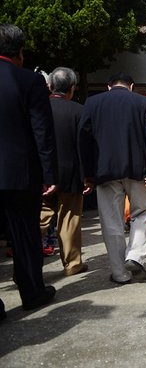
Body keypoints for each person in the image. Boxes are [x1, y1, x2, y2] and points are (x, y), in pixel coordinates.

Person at [79, 72, 146, 285]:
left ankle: (119, 273)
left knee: (111, 221)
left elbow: (84, 139)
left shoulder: (92, 102)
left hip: (104, 172)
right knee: (140, 213)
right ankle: (134, 256)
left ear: (109, 87)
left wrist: (88, 174)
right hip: (137, 170)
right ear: (131, 87)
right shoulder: (144, 102)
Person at [0, 24, 57, 313]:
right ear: (20, 52)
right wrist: (49, 174)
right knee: (24, 236)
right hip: (19, 174)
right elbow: (42, 133)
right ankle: (32, 291)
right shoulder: (30, 81)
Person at [39, 67, 90, 277]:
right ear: (72, 89)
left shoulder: (37, 108)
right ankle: (72, 263)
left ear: (50, 86)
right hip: (70, 173)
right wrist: (87, 176)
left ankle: (25, 264)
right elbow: (84, 147)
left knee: (38, 218)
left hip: (41, 173)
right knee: (69, 218)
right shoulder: (79, 111)